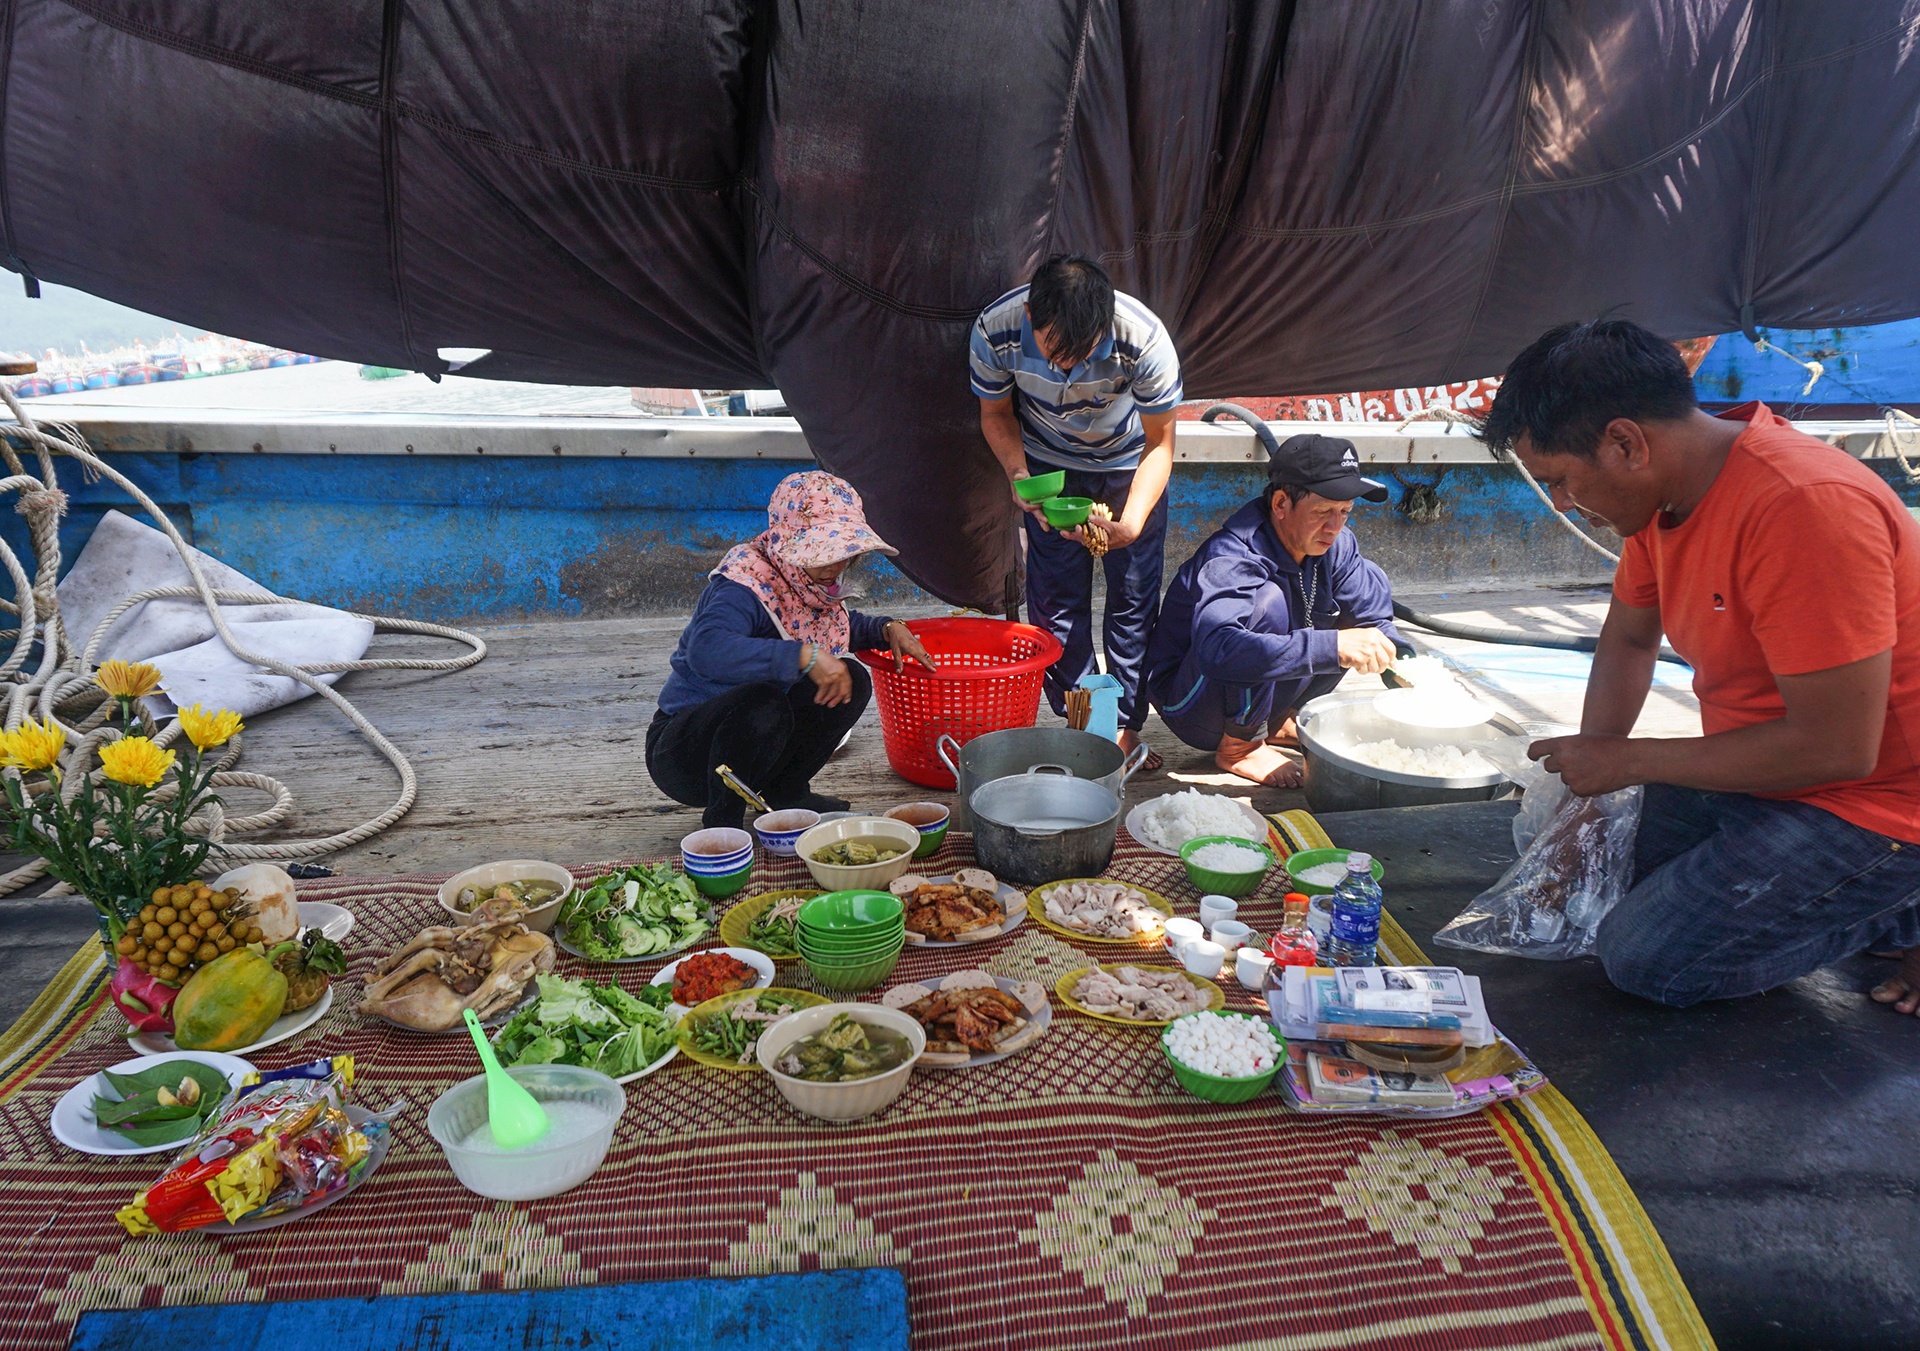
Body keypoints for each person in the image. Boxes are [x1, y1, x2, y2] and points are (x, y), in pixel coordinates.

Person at [1482, 318, 1920, 1015]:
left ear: (1626, 442)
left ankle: (1901, 910)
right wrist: (1592, 789)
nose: (1563, 505)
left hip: (1875, 805)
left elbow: (1837, 747)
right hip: (1758, 774)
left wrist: (1627, 763)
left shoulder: (1802, 505)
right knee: (1563, 851)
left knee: (1644, 956)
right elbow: (1628, 640)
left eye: (1562, 481)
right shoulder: (1664, 499)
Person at [971, 254, 1182, 769]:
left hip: (1129, 464)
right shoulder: (994, 331)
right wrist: (1020, 479)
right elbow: (996, 414)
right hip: (1048, 465)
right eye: (1054, 353)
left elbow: (1161, 442)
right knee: (1055, 604)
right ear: (1028, 318)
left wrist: (1130, 523)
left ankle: (1124, 726)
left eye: (1081, 355)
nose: (1066, 368)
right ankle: (1088, 720)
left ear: (1105, 326)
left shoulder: (1145, 341)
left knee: (1132, 600)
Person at [647, 471, 935, 829]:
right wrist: (802, 656)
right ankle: (723, 825)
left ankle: (785, 791)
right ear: (788, 546)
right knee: (762, 701)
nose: (834, 565)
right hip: (684, 753)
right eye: (821, 553)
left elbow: (831, 628)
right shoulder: (743, 583)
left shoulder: (807, 583)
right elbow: (706, 650)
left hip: (757, 747)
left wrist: (886, 628)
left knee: (852, 678)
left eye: (843, 553)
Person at [1143, 432, 1402, 786]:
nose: (1335, 527)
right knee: (1270, 605)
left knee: (1359, 620)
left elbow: (1374, 620)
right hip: (1191, 705)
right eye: (1324, 511)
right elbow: (1217, 649)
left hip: (1269, 693)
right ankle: (1240, 747)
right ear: (1281, 504)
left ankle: (1277, 717)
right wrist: (1333, 647)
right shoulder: (1233, 556)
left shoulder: (1337, 545)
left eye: (1345, 512)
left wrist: (1410, 670)